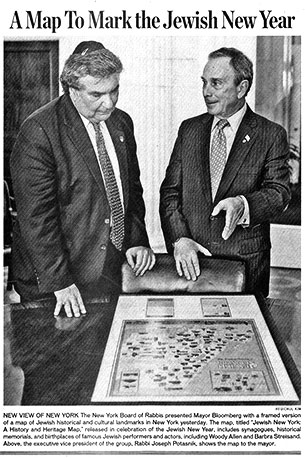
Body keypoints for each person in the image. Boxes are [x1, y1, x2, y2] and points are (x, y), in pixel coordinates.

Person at [10, 40, 155, 317]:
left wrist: (137, 238)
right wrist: (61, 281)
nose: (109, 102)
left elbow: (131, 190)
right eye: (97, 94)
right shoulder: (39, 130)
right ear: (71, 89)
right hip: (54, 282)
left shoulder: (121, 122)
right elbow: (36, 218)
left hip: (108, 270)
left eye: (115, 90)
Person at [160, 47, 291, 297]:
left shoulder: (270, 135)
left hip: (245, 264)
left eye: (216, 83)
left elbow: (279, 193)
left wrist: (244, 204)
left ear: (241, 88)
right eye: (204, 83)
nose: (207, 92)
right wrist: (179, 239)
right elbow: (170, 193)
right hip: (192, 264)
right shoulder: (189, 130)